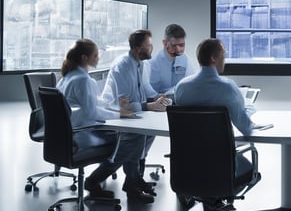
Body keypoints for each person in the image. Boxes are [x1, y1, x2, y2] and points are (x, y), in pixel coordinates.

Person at [174, 38, 254, 209]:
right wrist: (245, 111)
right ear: (213, 58)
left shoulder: (181, 87)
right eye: (223, 54)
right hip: (221, 168)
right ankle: (214, 200)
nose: (225, 58)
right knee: (241, 163)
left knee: (205, 166)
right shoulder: (227, 87)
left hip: (188, 165)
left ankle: (211, 201)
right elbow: (246, 128)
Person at [98, 29, 171, 203]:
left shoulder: (141, 63)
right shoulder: (123, 66)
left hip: (132, 112)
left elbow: (145, 87)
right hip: (114, 113)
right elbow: (123, 105)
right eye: (149, 45)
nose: (152, 48)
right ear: (138, 48)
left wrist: (157, 97)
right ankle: (131, 185)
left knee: (149, 132)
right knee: (135, 139)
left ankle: (134, 179)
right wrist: (148, 106)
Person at [56, 39, 130, 199]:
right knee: (127, 141)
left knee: (119, 134)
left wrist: (114, 106)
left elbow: (90, 103)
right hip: (81, 135)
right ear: (84, 58)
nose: (98, 58)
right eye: (95, 55)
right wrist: (119, 115)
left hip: (67, 134)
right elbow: (92, 113)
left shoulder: (66, 77)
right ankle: (94, 181)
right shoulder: (83, 80)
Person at [144, 23, 195, 95]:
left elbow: (190, 85)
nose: (178, 49)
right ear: (165, 43)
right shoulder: (152, 64)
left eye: (181, 45)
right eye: (174, 45)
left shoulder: (186, 60)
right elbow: (151, 93)